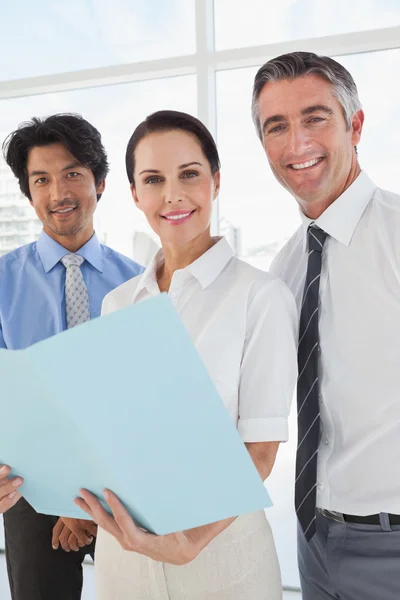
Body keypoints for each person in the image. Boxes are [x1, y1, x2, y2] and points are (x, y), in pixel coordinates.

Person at [73, 109, 298, 600]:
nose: (172, 195)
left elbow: (259, 453)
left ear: (216, 181)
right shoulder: (118, 303)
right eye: (153, 179)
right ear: (134, 194)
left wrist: (190, 541)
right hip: (123, 556)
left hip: (220, 557)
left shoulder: (259, 296)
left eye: (189, 174)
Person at [251, 50, 400, 600]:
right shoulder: (284, 268)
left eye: (315, 118)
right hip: (312, 538)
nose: (297, 143)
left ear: (354, 125)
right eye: (276, 127)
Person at [0, 113, 143, 600]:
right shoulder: (2, 282)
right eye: (41, 179)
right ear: (29, 191)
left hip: (126, 486)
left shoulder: (141, 283)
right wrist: (62, 495)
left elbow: (144, 399)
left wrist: (89, 496)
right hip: (29, 490)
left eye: (72, 174)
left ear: (100, 182)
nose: (58, 191)